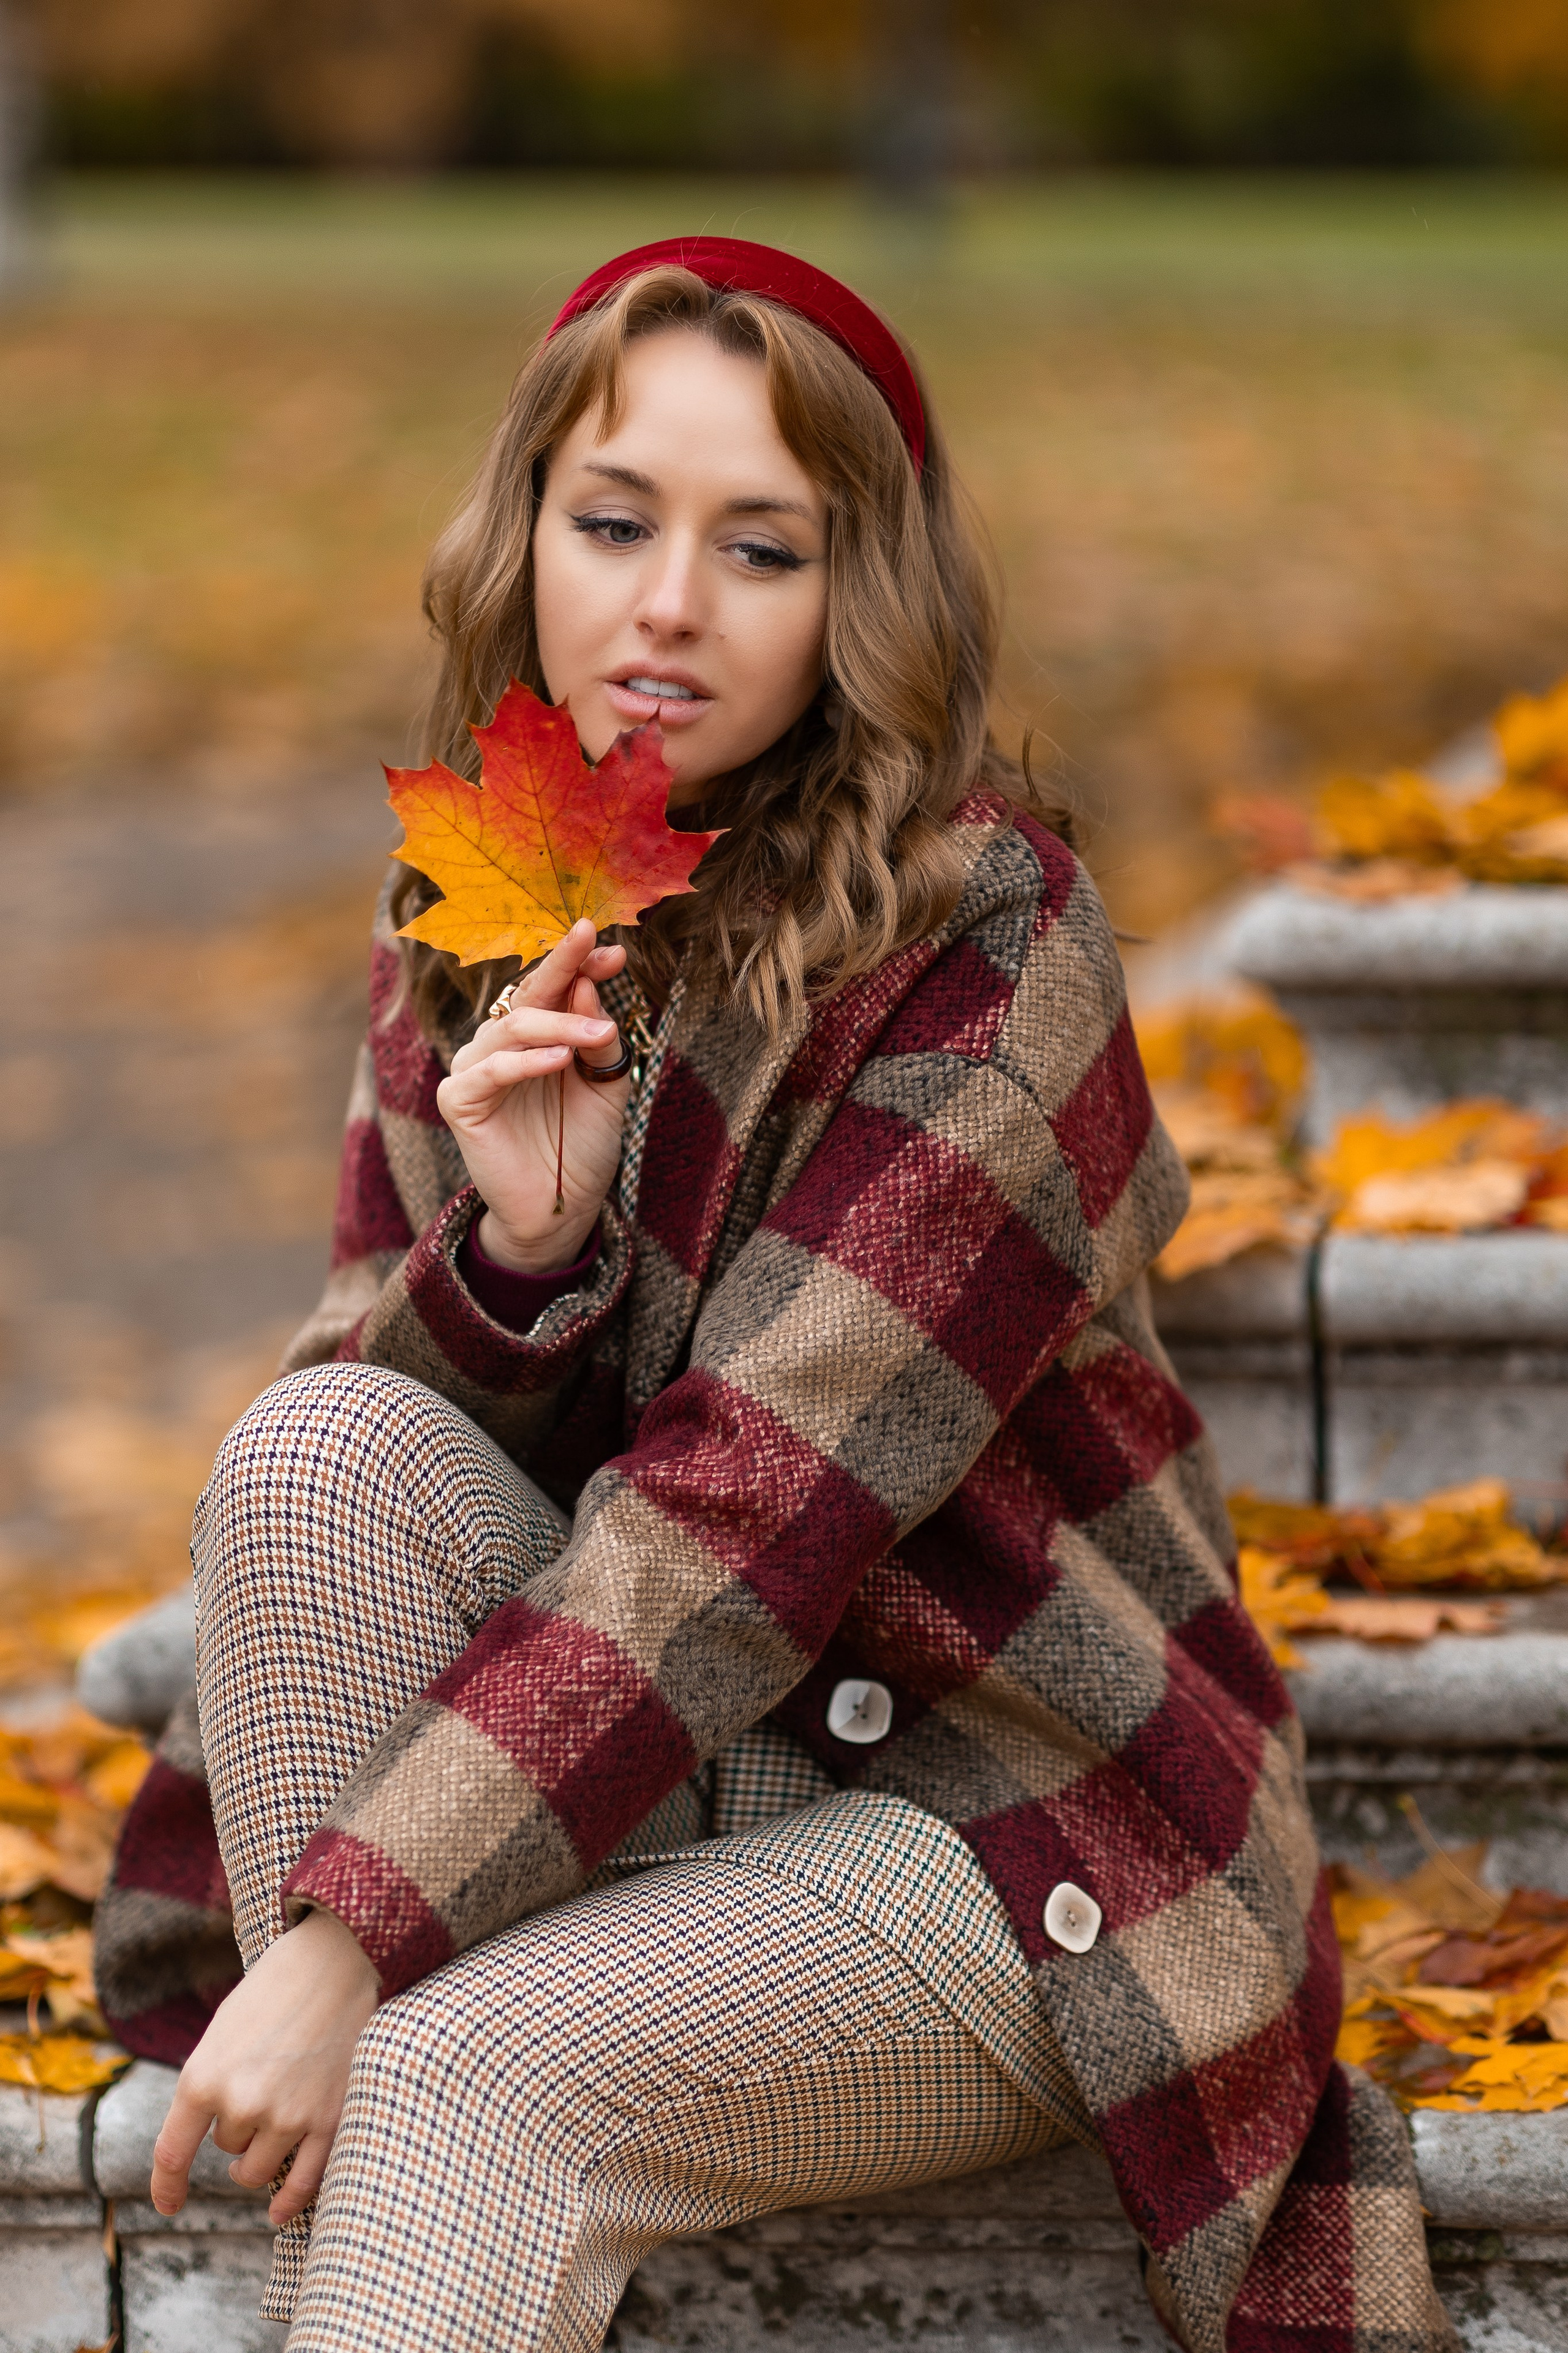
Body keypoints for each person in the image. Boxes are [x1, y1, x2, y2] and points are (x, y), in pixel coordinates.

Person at [96, 239, 1453, 2352]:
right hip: (618, 1773)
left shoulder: (989, 938)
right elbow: (372, 1441)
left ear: (856, 596)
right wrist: (523, 1261)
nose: (668, 605)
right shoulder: (478, 895)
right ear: (526, 533)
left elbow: (751, 1514)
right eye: (614, 523)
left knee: (445, 2067)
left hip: (981, 1806)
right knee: (314, 1454)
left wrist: (346, 1942)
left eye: (760, 548)